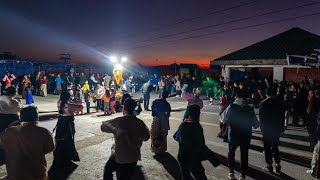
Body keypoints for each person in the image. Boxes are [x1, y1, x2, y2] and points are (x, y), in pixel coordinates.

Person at [101, 98, 150, 180]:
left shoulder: (119, 121)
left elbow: (103, 126)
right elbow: (146, 137)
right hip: (134, 157)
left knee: (108, 170)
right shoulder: (139, 122)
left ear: (124, 108)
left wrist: (115, 130)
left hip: (120, 157)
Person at [0, 106, 54, 180]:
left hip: (14, 174)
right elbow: (50, 148)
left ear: (21, 117)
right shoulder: (43, 132)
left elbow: (3, 145)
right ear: (36, 117)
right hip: (37, 174)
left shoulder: (9, 131)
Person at [221, 90, 259, 180]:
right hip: (246, 135)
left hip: (233, 134)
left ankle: (231, 172)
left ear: (236, 96)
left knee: (231, 153)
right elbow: (256, 125)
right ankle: (242, 175)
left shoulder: (231, 107)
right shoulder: (250, 109)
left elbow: (223, 120)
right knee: (244, 155)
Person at [175, 104, 220, 180]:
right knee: (200, 176)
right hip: (193, 158)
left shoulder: (183, 125)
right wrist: (212, 158)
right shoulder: (196, 126)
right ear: (198, 114)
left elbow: (177, 138)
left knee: (186, 176)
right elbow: (201, 144)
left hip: (183, 157)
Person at [49, 92, 83, 173]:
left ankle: (58, 158)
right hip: (68, 125)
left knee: (60, 141)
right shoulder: (70, 105)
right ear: (68, 97)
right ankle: (66, 160)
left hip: (60, 123)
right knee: (68, 142)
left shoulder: (59, 103)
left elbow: (62, 100)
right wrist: (73, 102)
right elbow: (81, 107)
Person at [259, 87, 285, 174]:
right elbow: (282, 117)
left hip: (267, 129)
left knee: (267, 148)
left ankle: (269, 166)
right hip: (276, 128)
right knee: (275, 146)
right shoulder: (280, 103)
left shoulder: (263, 104)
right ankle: (278, 165)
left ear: (267, 94)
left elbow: (261, 119)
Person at [0, 86, 22, 164]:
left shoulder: (1, 98)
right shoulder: (14, 102)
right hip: (11, 120)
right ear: (14, 93)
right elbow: (20, 110)